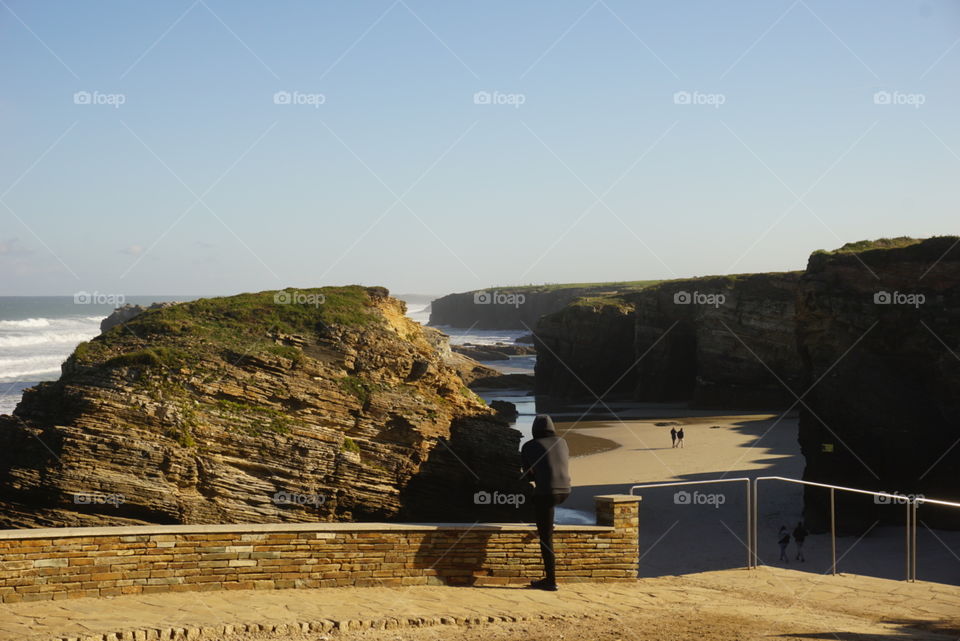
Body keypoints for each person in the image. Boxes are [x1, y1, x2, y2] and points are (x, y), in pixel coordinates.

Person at [520, 414, 571, 591]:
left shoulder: (529, 445)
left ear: (534, 429)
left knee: (546, 538)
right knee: (546, 513)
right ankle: (549, 524)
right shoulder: (563, 442)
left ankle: (550, 581)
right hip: (565, 491)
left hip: (546, 494)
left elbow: (527, 476)